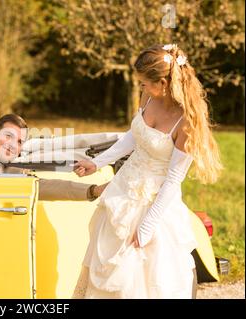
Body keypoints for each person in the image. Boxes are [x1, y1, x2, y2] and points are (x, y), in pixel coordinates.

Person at [71, 44, 223, 299]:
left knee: (145, 277)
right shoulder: (149, 97)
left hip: (155, 202)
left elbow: (174, 179)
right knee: (106, 266)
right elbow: (134, 137)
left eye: (144, 83)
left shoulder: (185, 122)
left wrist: (147, 226)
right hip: (124, 190)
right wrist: (97, 162)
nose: (140, 87)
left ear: (163, 83)